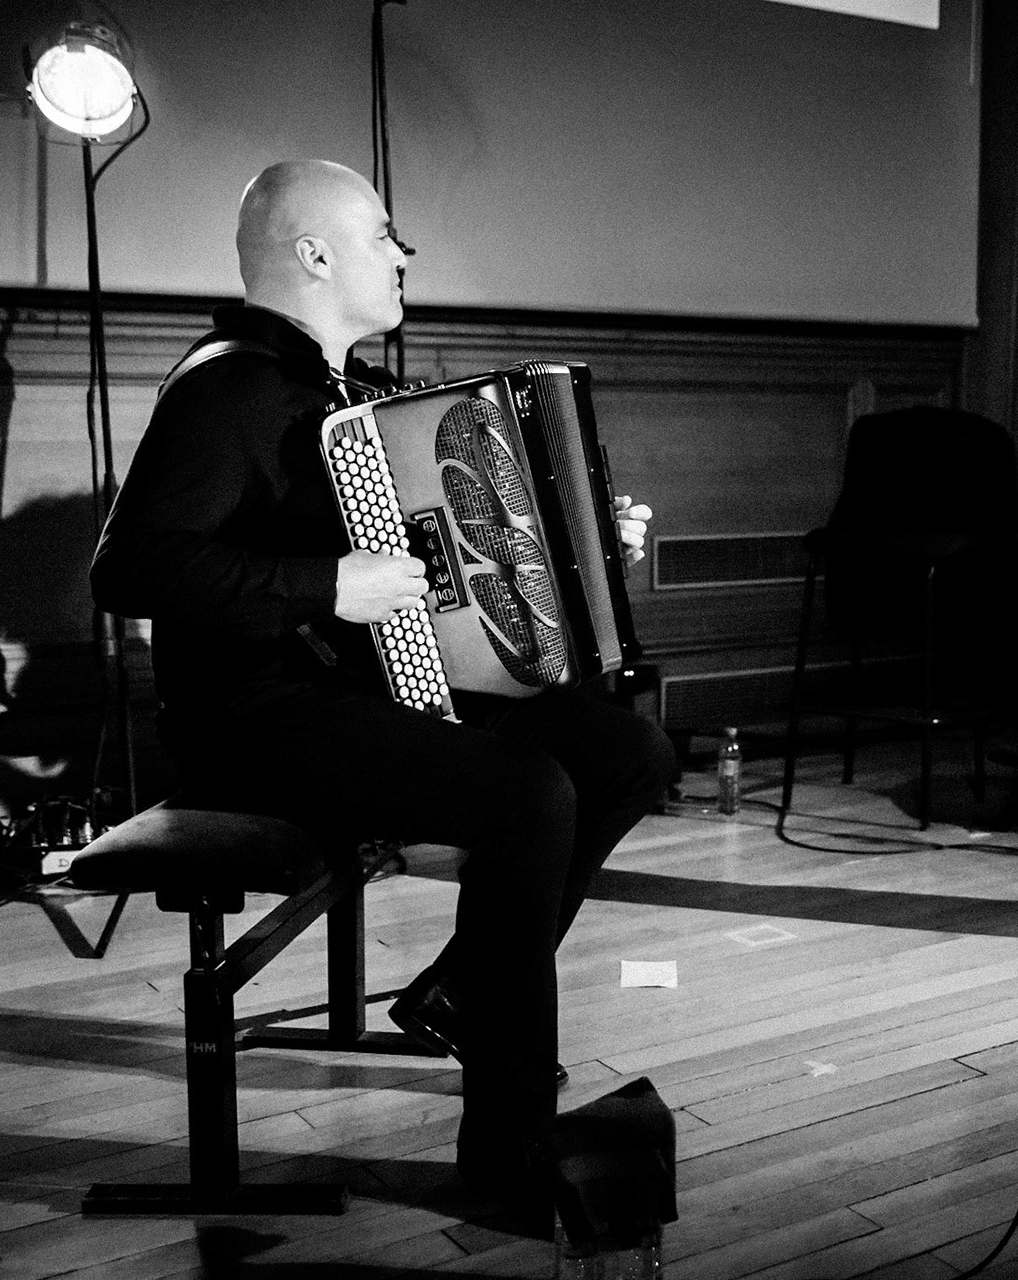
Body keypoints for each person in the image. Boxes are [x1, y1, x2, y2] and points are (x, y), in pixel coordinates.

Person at [89, 159, 675, 1222]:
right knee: (527, 792)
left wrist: (584, 556)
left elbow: (435, 574)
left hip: (347, 694)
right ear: (314, 253)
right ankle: (505, 1152)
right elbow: (128, 568)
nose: (404, 254)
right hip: (253, 716)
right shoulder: (226, 386)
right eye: (384, 235)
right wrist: (328, 584)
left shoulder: (343, 397)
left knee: (629, 752)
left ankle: (461, 989)